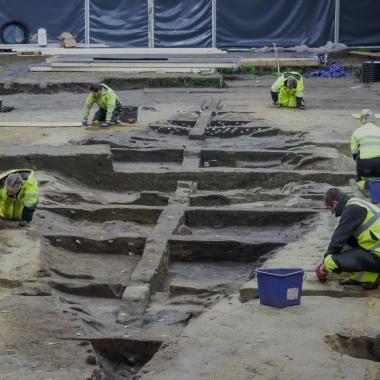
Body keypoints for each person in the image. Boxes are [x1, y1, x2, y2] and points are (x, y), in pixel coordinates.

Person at [315, 187, 380, 289]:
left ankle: (373, 275)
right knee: (347, 244)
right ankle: (367, 278)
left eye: (330, 208)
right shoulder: (356, 203)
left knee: (330, 262)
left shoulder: (352, 209)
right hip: (375, 251)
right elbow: (345, 240)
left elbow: (338, 239)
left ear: (335, 203)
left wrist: (324, 264)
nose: (332, 212)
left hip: (377, 254)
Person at [351, 109, 380, 191]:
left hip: (365, 164)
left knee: (361, 178)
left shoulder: (357, 132)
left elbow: (354, 153)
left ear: (362, 119)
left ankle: (363, 183)